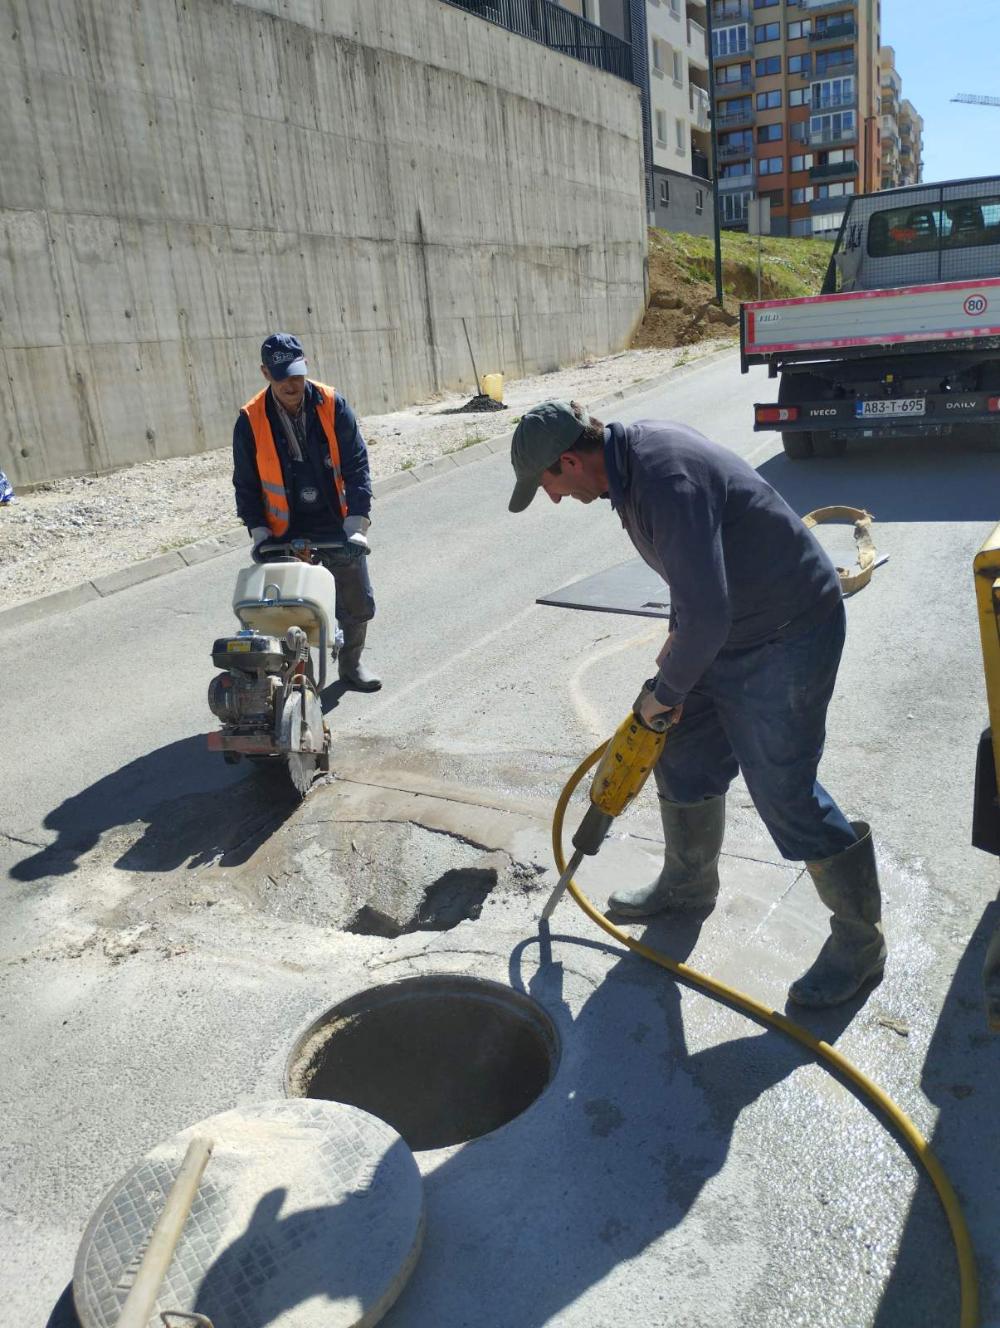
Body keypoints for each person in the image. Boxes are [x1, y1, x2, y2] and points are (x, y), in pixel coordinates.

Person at [507, 399, 886, 1008]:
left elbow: (709, 611)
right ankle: (688, 885)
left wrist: (667, 690)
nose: (550, 497)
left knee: (784, 790)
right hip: (727, 629)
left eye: (547, 483)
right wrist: (671, 670)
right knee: (678, 751)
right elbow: (698, 587)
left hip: (786, 631)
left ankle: (859, 942)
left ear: (570, 460)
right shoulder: (627, 468)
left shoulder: (665, 479)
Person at [232, 333, 380, 691]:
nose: (291, 384)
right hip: (283, 527)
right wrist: (259, 532)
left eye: (296, 374)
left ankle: (351, 664)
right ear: (266, 373)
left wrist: (356, 526)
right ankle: (302, 680)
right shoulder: (250, 420)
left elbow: (357, 466)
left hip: (334, 519)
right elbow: (246, 484)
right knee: (288, 610)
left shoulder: (331, 404)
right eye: (281, 376)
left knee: (355, 599)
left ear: (306, 366)